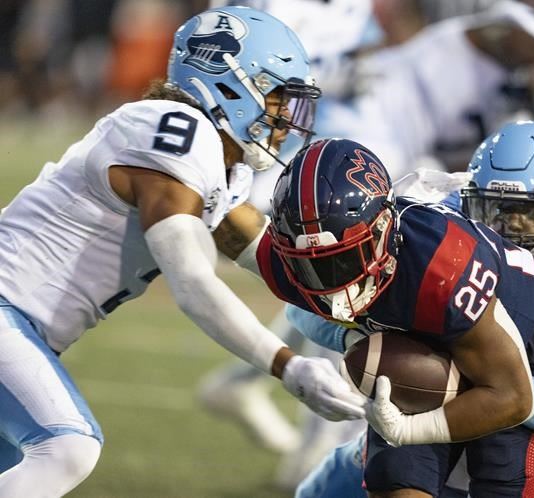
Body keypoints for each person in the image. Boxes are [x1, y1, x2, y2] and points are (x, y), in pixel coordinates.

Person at [0, 6, 367, 497]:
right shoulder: (174, 132)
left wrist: (365, 301)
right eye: (279, 98)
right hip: (7, 315)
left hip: (24, 329)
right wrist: (287, 365)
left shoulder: (218, 163)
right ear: (235, 85)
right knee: (67, 448)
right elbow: (193, 283)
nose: (286, 119)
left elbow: (274, 259)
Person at [289, 122, 534, 498]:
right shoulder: (437, 231)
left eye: (531, 213)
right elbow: (304, 309)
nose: (508, 229)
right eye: (493, 209)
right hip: (414, 437)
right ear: (467, 200)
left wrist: (471, 383)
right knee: (317, 493)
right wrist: (362, 335)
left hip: (515, 454)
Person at [243, 136, 534, 497]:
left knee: (500, 481)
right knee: (395, 483)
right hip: (420, 341)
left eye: (343, 259)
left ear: (384, 231)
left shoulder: (441, 266)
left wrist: (407, 430)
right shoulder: (289, 260)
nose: (331, 283)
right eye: (312, 267)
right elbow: (230, 230)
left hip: (513, 347)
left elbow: (513, 398)